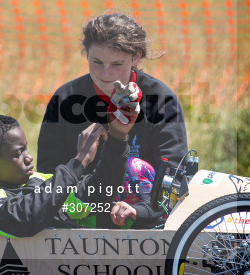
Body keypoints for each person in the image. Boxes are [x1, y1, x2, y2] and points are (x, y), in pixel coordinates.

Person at [36, 12, 187, 226]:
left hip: (145, 220)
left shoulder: (160, 99)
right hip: (79, 216)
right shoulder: (66, 99)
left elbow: (175, 174)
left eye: (117, 64)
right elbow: (48, 175)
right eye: (97, 61)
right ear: (86, 54)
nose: (106, 73)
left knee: (134, 168)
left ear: (135, 57)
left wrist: (141, 211)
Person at [0, 112, 139, 237]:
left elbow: (97, 193)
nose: (29, 157)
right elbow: (26, 218)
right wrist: (79, 161)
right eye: (18, 153)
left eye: (26, 149)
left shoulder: (36, 180)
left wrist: (117, 137)